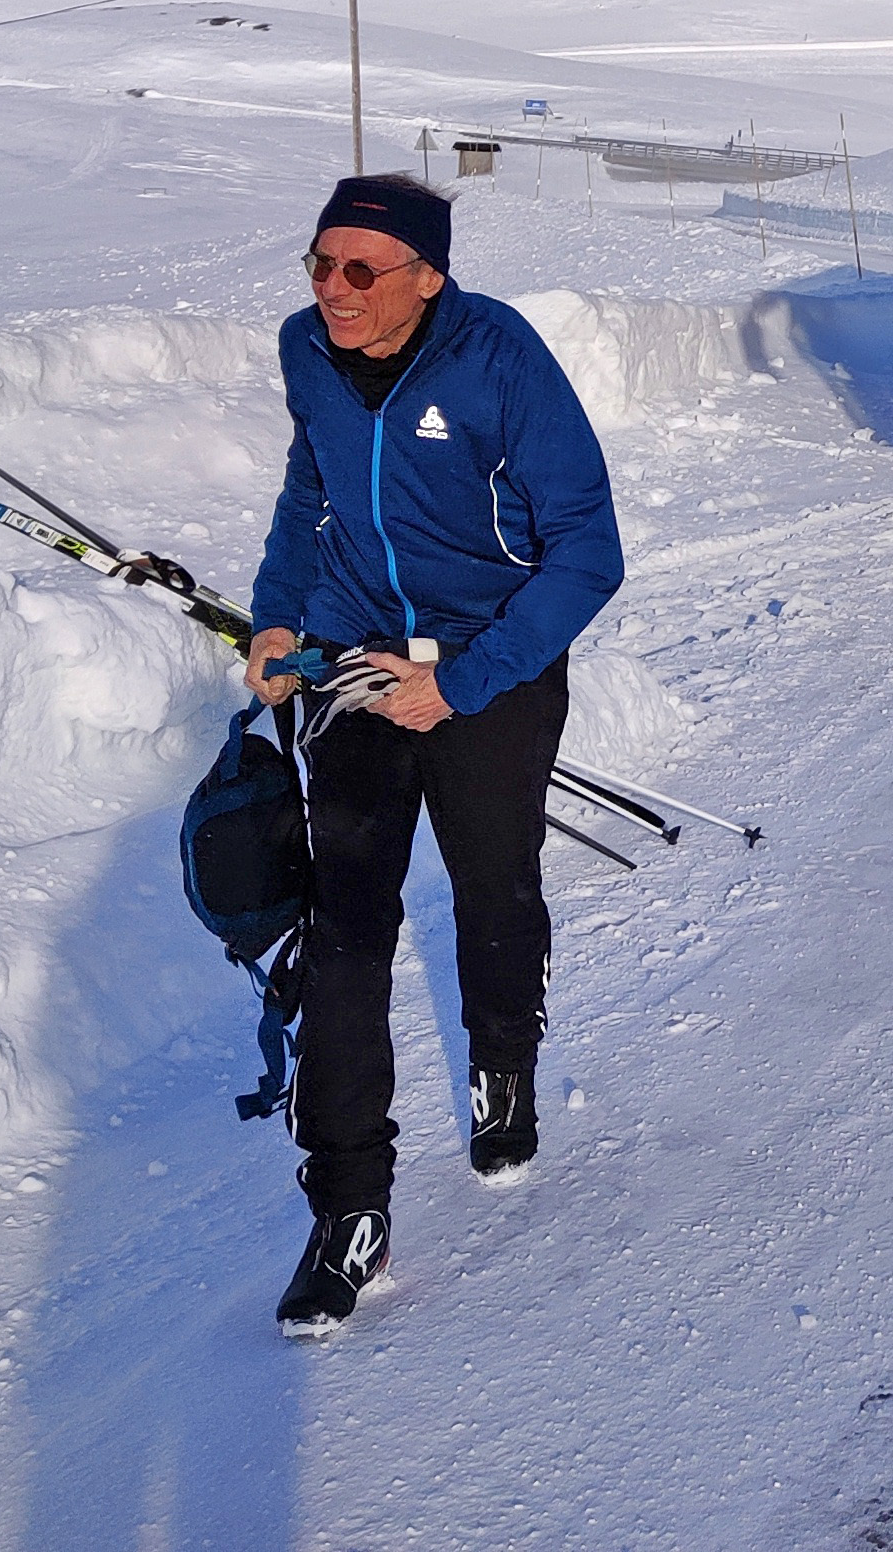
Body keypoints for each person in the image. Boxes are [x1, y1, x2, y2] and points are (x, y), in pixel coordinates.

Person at [246, 172, 625, 1339]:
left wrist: (458, 682)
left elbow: (587, 552)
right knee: (346, 931)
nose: (333, 291)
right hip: (358, 661)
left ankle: (502, 1061)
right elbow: (312, 480)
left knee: (492, 883)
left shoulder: (497, 357)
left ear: (427, 277)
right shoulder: (304, 348)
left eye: (363, 270)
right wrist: (278, 614)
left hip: (488, 660)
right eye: (319, 263)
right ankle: (350, 1212)